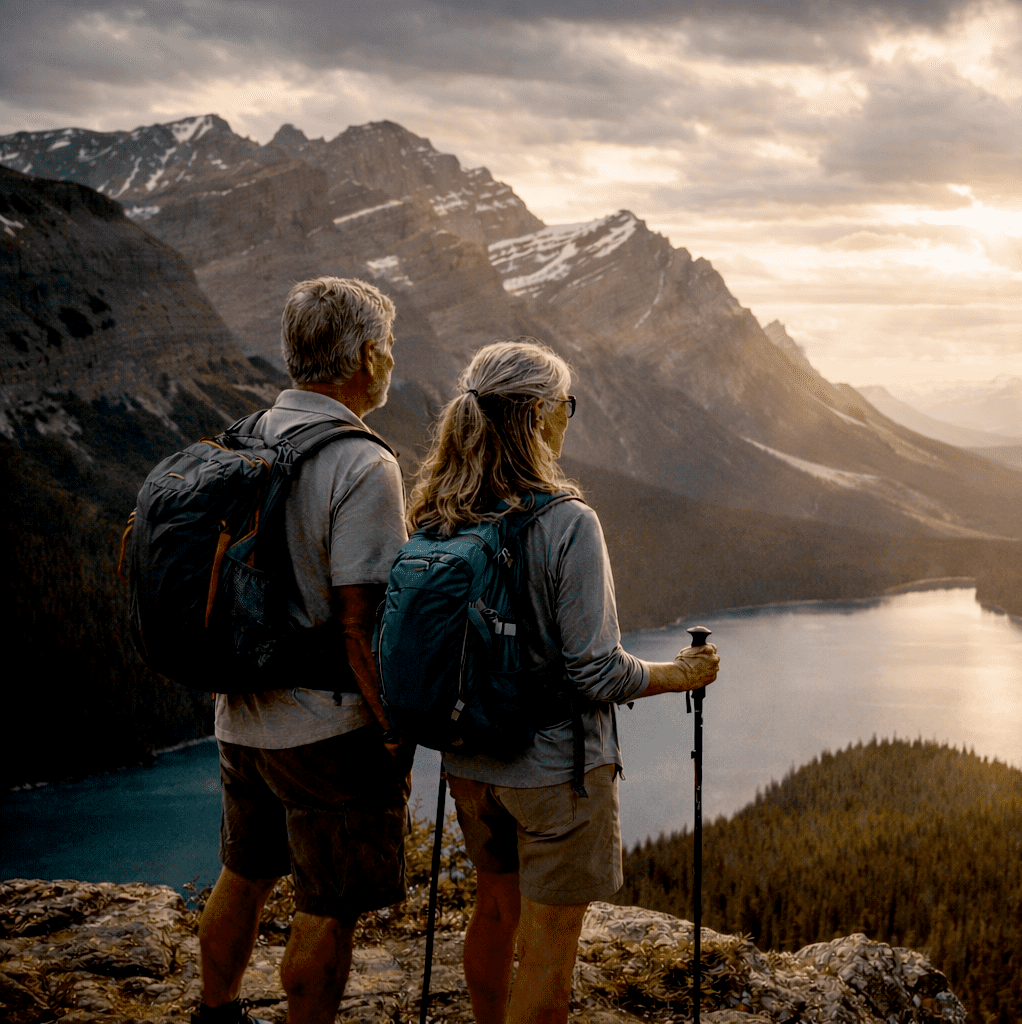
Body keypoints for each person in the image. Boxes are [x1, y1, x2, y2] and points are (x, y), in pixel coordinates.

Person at [406, 338, 719, 1024]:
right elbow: (596, 669)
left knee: (492, 911)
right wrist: (681, 673)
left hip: (468, 762)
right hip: (554, 772)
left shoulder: (437, 511)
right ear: (543, 415)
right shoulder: (565, 520)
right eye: (566, 406)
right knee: (549, 948)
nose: (568, 418)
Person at [193, 277, 413, 1024]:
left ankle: (214, 1013)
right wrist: (394, 724)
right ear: (364, 356)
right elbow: (362, 621)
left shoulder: (245, 434)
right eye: (385, 346)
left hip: (239, 710)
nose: (389, 359)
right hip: (324, 728)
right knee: (330, 900)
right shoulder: (362, 463)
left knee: (243, 871)